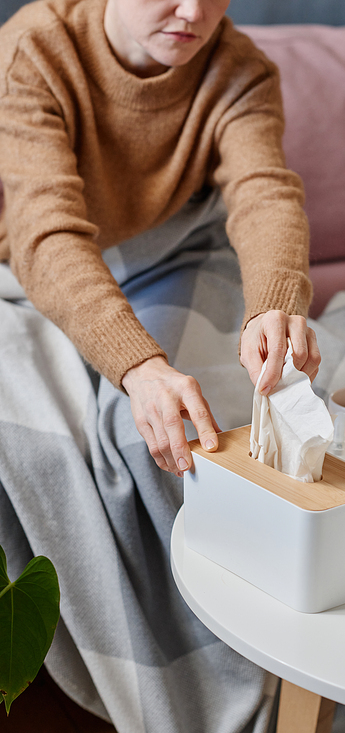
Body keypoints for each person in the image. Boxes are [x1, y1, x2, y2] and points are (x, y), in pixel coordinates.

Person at [0, 0, 320, 477]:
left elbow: (264, 193)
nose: (192, 12)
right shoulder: (35, 49)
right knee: (78, 445)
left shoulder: (242, 71)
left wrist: (275, 304)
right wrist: (138, 366)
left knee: (205, 426)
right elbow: (46, 230)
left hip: (175, 249)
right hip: (44, 266)